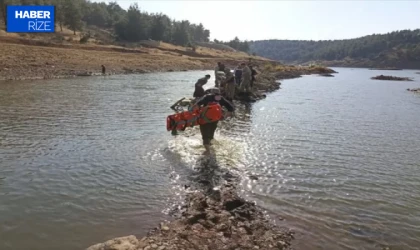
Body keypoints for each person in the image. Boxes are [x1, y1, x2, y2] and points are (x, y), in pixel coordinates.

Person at [193, 87, 234, 153]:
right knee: (211, 133)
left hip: (205, 119)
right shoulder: (220, 98)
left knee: (205, 135)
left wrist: (195, 114)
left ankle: (207, 151)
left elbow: (197, 105)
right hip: (215, 119)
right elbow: (231, 108)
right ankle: (210, 145)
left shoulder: (207, 97)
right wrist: (225, 116)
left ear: (211, 92)